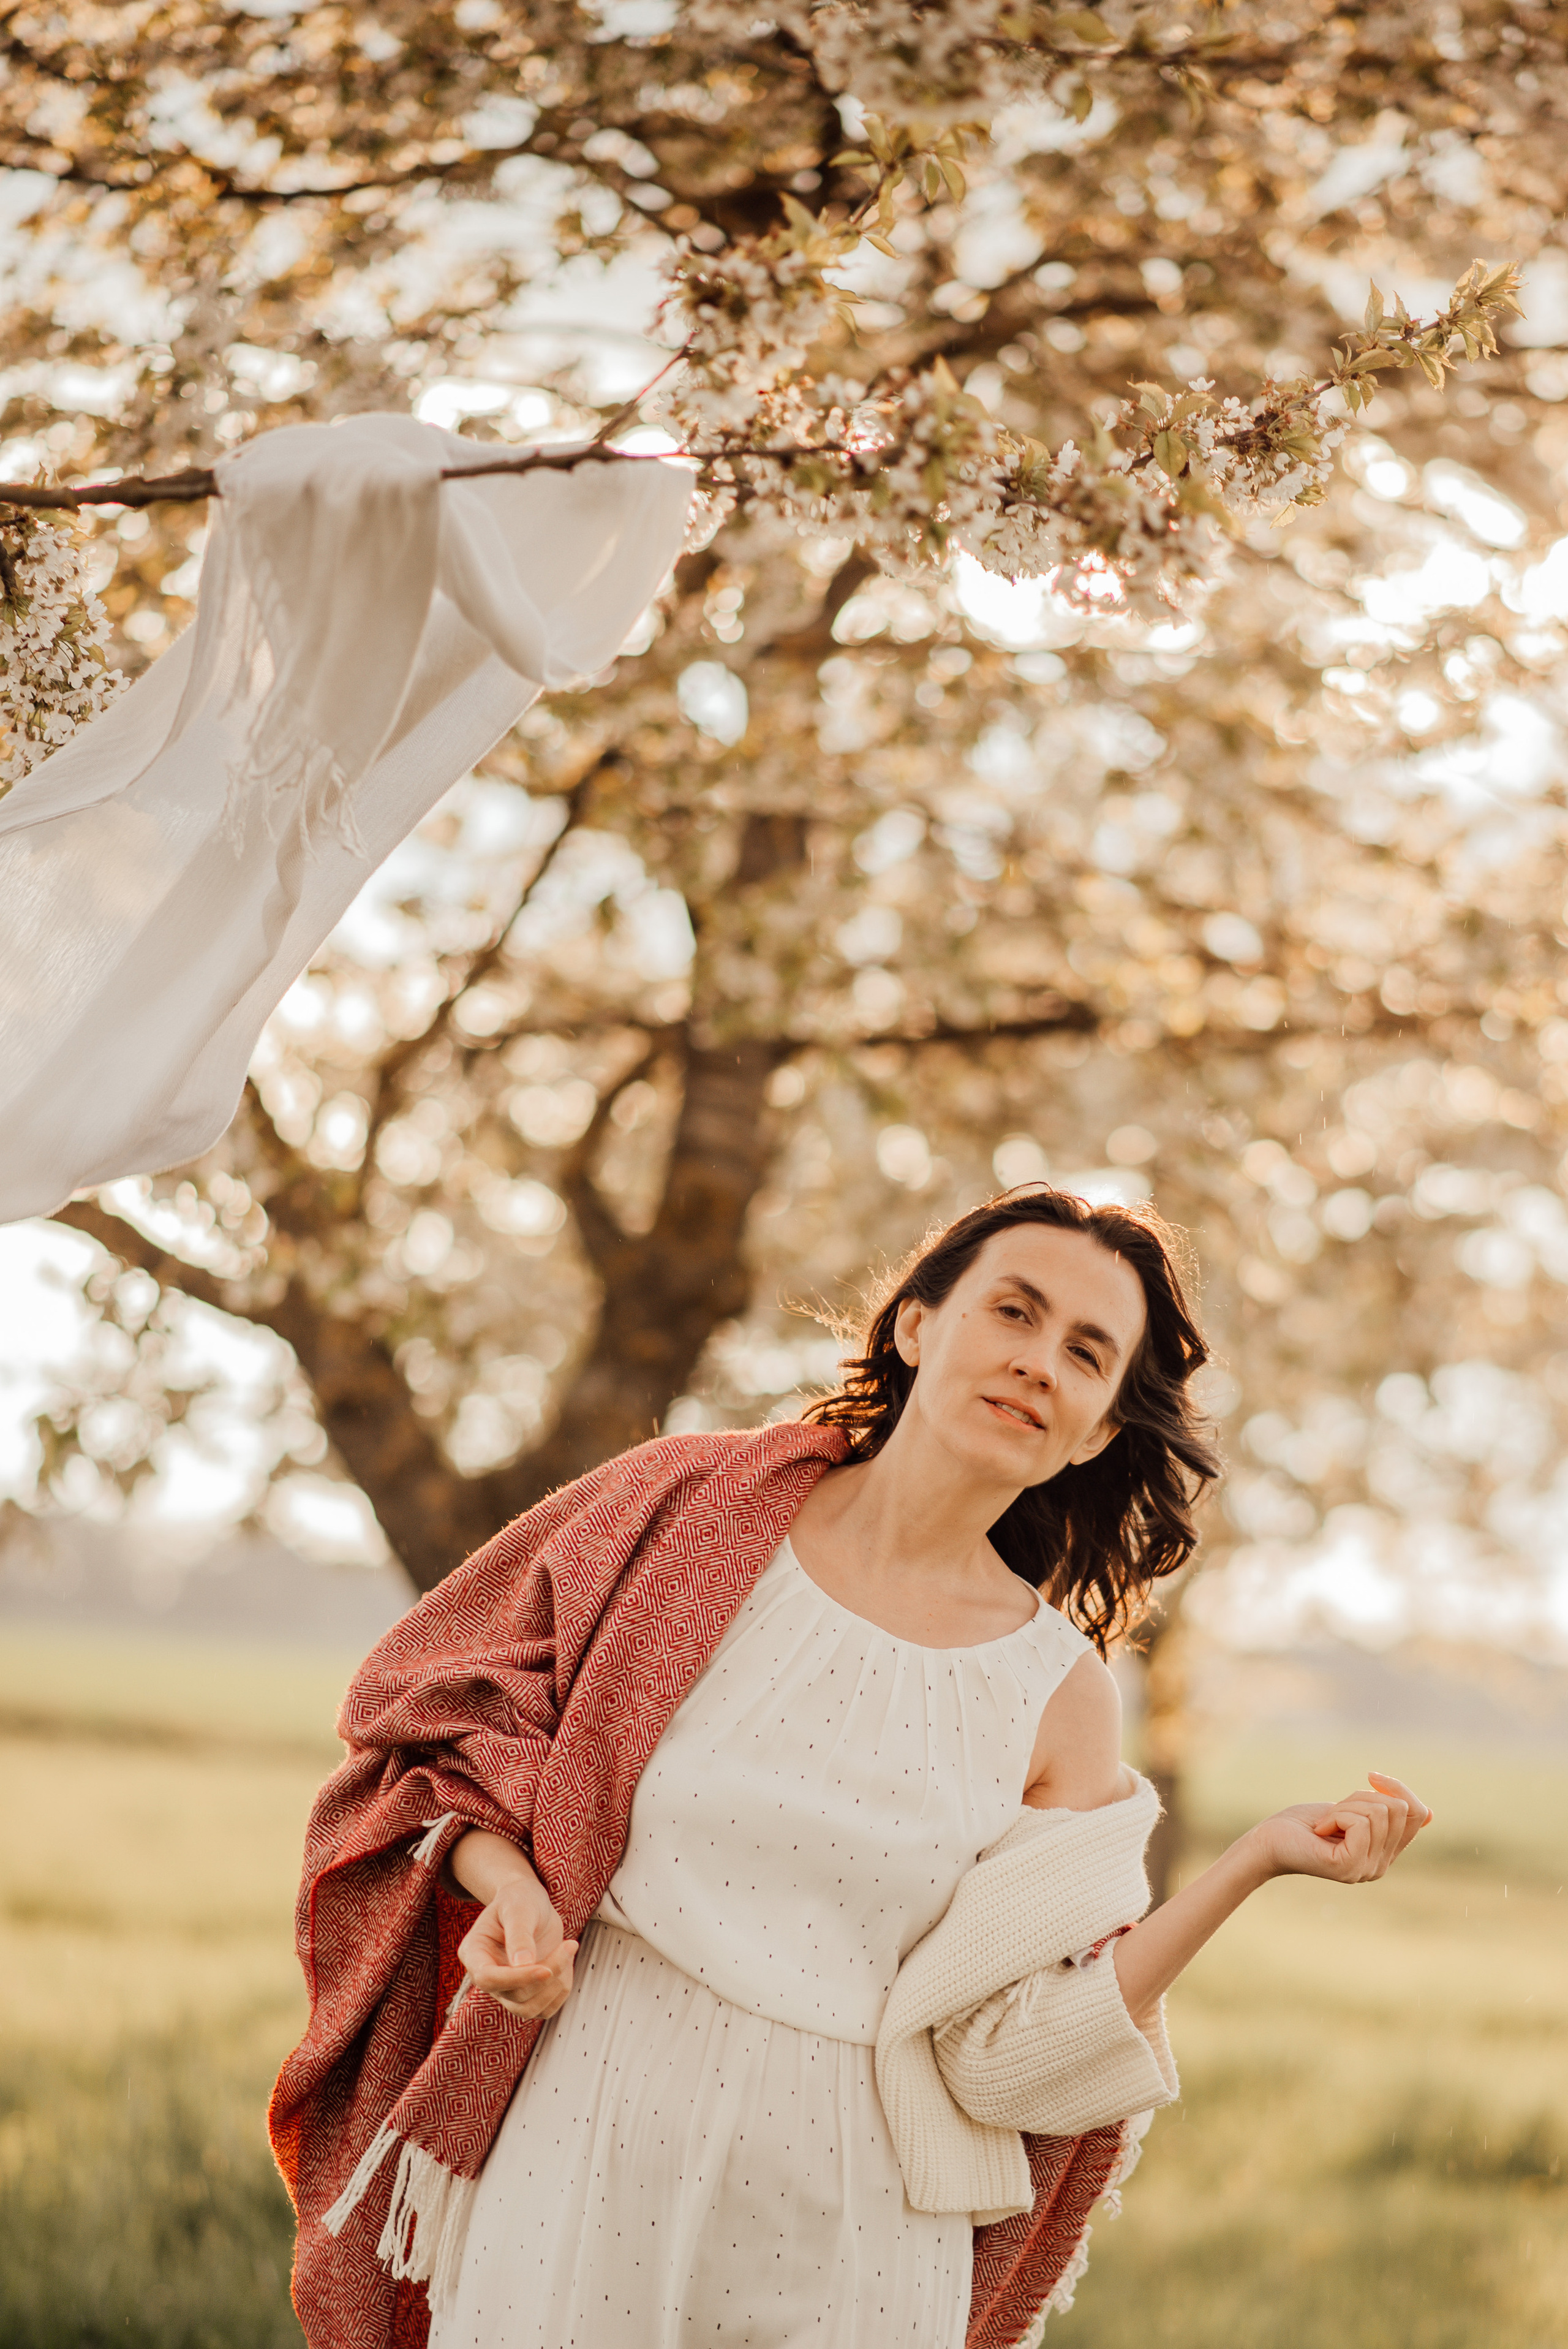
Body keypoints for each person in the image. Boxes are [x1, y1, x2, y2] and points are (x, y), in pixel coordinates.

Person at [272, 1186, 1431, 2349]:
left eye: (1085, 1353)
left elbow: (1012, 2055)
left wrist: (1254, 1862)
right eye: (1014, 1312)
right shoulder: (686, 1510)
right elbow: (434, 1726)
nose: (1038, 1362)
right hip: (583, 2141)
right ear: (918, 1324)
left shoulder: (1057, 1693)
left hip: (852, 2228)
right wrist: (511, 1888)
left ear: (1096, 1430)